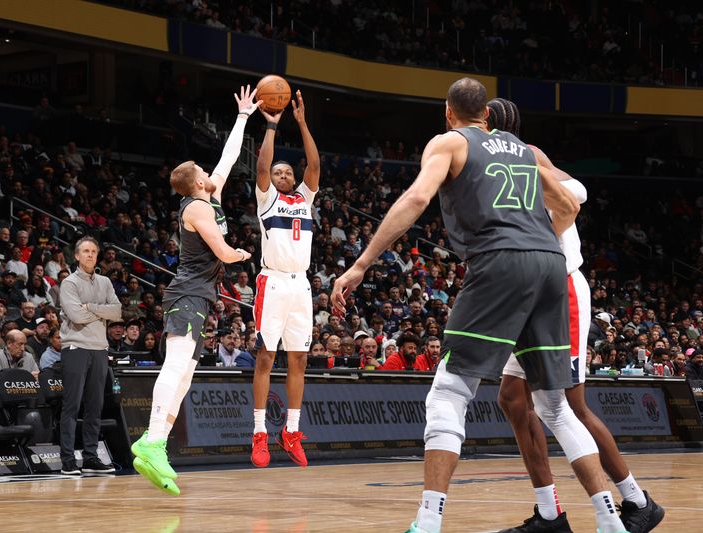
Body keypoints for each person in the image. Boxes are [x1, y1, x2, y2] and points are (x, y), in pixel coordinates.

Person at [331, 78, 625, 533]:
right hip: (551, 266)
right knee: (555, 406)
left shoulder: (449, 142)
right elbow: (569, 204)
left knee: (449, 391)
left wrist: (362, 264)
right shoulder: (522, 150)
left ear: (448, 112)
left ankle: (428, 522)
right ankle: (610, 520)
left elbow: (415, 198)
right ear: (486, 115)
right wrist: (540, 240)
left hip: (500, 262)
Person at [488, 97, 664, 533]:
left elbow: (576, 193)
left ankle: (636, 502)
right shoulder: (486, 159)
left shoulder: (523, 154)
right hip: (524, 291)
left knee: (568, 405)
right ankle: (549, 514)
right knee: (512, 398)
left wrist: (541, 227)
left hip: (556, 285)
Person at [130, 85, 256, 496]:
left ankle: (157, 445)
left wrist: (241, 118)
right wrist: (241, 254)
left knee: (185, 374)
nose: (209, 171)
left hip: (201, 294)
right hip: (187, 292)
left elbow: (230, 157)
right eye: (203, 170)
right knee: (176, 364)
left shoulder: (209, 195)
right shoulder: (198, 207)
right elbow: (221, 250)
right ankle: (149, 439)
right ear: (195, 181)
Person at [251, 89, 320, 469]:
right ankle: (259, 432)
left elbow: (314, 164)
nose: (282, 175)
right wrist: (273, 126)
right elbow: (261, 165)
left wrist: (303, 122)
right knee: (266, 357)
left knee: (300, 359)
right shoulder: (267, 200)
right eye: (277, 172)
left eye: (286, 172)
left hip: (301, 285)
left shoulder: (304, 199)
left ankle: (290, 431)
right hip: (273, 282)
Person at [58, 236, 122, 476]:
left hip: (99, 349)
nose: (90, 255)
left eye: (94, 251)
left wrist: (91, 307)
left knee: (95, 406)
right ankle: (67, 460)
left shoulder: (105, 282)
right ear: (76, 255)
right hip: (75, 348)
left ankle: (91, 457)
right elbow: (76, 316)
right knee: (72, 406)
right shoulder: (70, 283)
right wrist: (99, 311)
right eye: (85, 251)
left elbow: (116, 312)